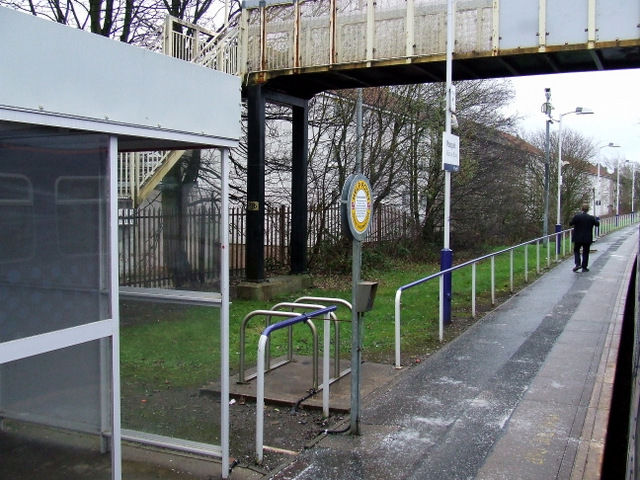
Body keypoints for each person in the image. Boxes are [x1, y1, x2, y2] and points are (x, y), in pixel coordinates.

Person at [569, 204, 600, 272]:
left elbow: (570, 223)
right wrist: (596, 219)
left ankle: (578, 264)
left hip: (577, 237)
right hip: (587, 238)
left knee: (576, 250)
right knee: (586, 252)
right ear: (588, 209)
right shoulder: (591, 218)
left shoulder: (577, 217)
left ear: (582, 209)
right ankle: (584, 267)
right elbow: (597, 224)